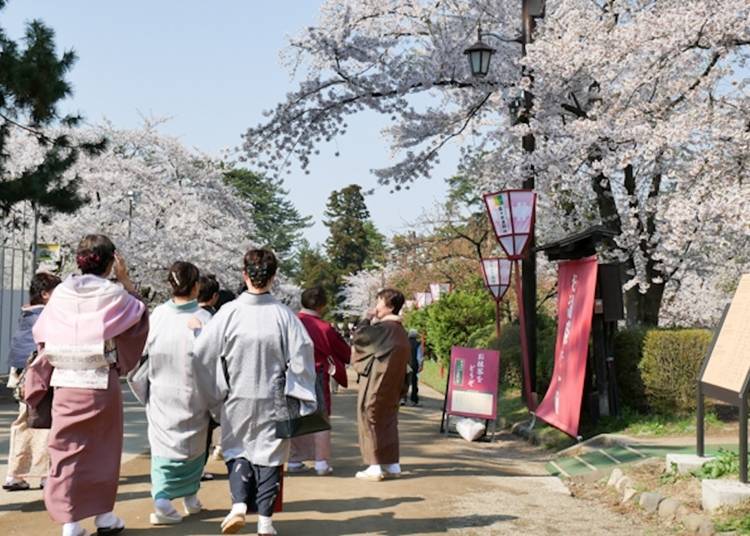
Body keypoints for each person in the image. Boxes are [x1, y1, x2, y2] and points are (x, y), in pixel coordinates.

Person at [24, 235, 149, 536]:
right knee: (103, 450)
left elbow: (41, 332)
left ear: (79, 260)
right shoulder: (115, 295)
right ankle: (104, 515)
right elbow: (140, 317)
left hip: (65, 380)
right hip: (100, 381)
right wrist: (126, 280)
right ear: (110, 262)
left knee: (67, 451)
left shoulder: (62, 293)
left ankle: (71, 522)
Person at [192, 249, 316, 535]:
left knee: (237, 449)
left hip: (236, 393)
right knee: (270, 456)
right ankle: (265, 523)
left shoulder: (229, 312)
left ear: (244, 274)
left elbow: (201, 353)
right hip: (274, 396)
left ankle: (237, 505)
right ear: (273, 277)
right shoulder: (285, 316)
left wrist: (215, 390)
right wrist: (299, 390)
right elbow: (303, 355)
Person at [142, 261, 211, 525]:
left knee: (163, 446)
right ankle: (175, 499)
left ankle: (175, 497)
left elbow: (142, 352)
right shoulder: (206, 318)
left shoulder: (157, 314)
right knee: (194, 447)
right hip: (194, 392)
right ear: (196, 286)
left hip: (161, 390)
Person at [3, 272, 61, 492]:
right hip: (37, 375)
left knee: (22, 422)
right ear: (45, 294)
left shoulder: (28, 314)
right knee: (46, 421)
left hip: (20, 373)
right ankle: (46, 474)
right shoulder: (45, 316)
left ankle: (15, 474)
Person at [288, 286, 350, 476]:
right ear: (322, 306)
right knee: (320, 418)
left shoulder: (291, 322)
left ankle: (294, 459)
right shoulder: (325, 328)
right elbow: (345, 354)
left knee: (295, 416)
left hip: (292, 374)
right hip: (317, 374)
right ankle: (321, 462)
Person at [352, 288, 410, 482]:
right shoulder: (400, 331)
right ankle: (392, 464)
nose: (376, 307)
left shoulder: (384, 329)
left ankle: (375, 465)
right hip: (393, 384)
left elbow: (359, 339)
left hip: (377, 380)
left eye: (379, 302)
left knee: (370, 414)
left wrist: (366, 319)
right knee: (388, 419)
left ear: (390, 307)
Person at [401, 330, 424, 407]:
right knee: (414, 382)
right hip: (414, 365)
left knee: (404, 381)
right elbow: (419, 357)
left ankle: (402, 398)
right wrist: (421, 365)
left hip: (405, 364)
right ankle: (413, 400)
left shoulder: (404, 342)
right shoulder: (418, 344)